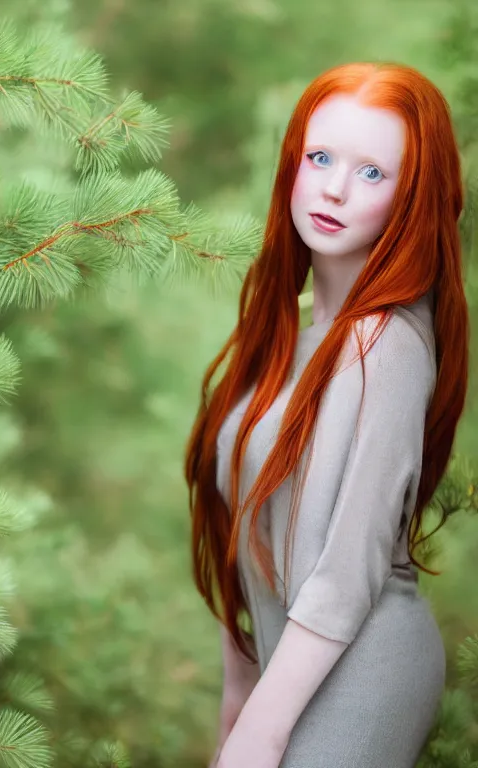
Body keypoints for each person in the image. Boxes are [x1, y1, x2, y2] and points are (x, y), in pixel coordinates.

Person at [184, 61, 470, 768]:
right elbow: (244, 525)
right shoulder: (298, 333)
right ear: (293, 165)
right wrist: (239, 684)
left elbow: (347, 571)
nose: (335, 188)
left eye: (374, 172)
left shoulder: (385, 346)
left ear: (413, 196)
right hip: (286, 666)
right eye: (320, 158)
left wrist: (262, 728)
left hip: (361, 670)